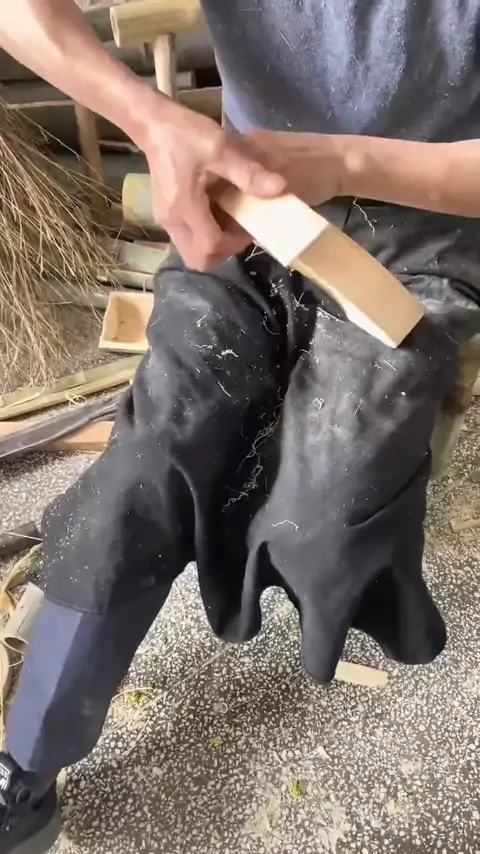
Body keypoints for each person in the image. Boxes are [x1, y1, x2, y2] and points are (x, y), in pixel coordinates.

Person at [1, 1, 480, 851]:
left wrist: (349, 159)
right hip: (247, 216)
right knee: (139, 482)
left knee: (319, 521)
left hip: (431, 233)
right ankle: (25, 771)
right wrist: (150, 119)